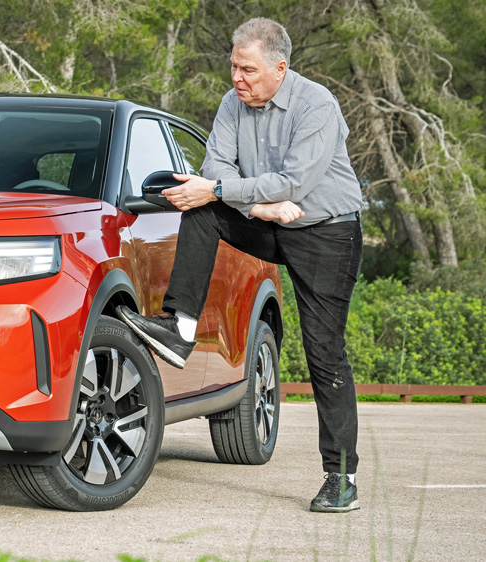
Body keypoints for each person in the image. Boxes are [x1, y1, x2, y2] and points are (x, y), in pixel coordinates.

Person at [117, 17, 363, 513]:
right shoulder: (233, 104)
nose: (237, 78)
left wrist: (240, 195)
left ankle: (341, 477)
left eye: (247, 69)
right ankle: (178, 326)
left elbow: (293, 182)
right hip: (273, 220)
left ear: (279, 68)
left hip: (327, 233)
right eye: (233, 66)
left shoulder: (317, 106)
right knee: (202, 207)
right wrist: (258, 207)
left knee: (325, 353)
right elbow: (215, 172)